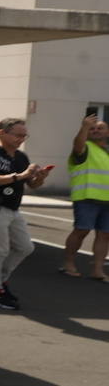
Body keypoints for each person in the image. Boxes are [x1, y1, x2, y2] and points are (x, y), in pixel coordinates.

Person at [0, 118, 49, 309]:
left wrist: (40, 178)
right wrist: (20, 176)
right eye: (18, 135)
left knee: (25, 247)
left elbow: (32, 184)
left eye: (24, 136)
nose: (21, 139)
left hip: (12, 209)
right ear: (2, 132)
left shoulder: (21, 157)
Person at [62, 114, 109, 280]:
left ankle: (97, 270)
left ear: (108, 132)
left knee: (105, 235)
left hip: (107, 200)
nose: (95, 130)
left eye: (100, 128)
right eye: (92, 128)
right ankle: (68, 263)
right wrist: (84, 127)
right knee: (81, 231)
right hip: (86, 198)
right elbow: (77, 145)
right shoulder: (84, 148)